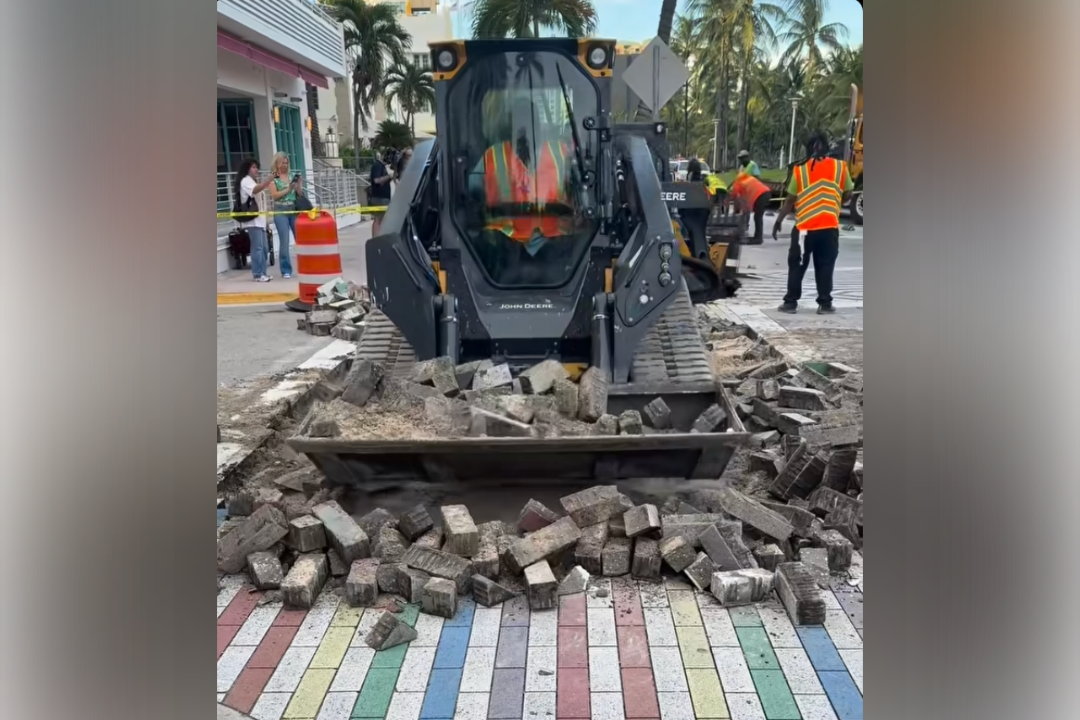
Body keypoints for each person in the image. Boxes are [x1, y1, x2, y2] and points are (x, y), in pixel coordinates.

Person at [471, 97, 576, 284]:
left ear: (539, 124)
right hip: (503, 252)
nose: (525, 127)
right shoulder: (491, 156)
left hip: (556, 249)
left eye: (528, 121)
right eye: (520, 122)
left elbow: (578, 190)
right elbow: (471, 195)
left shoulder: (561, 153)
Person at [771, 132, 854, 314]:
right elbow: (848, 192)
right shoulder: (840, 167)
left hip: (804, 229)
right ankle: (824, 304)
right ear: (827, 146)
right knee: (825, 265)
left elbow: (790, 200)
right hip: (829, 227)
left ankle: (790, 303)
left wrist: (778, 221)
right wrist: (835, 201)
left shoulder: (800, 171)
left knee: (797, 264)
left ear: (809, 148)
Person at [234, 158, 275, 282]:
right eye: (253, 167)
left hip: (261, 220)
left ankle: (263, 272)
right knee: (257, 248)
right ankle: (257, 274)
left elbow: (262, 201)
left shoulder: (253, 181)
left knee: (264, 248)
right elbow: (255, 190)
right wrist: (267, 182)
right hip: (253, 221)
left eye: (257, 167)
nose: (256, 169)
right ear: (247, 169)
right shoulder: (245, 181)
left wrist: (267, 221)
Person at [267, 152, 302, 279]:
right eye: (282, 163)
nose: (285, 165)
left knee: (301, 239)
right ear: (276, 163)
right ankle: (286, 269)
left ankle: (305, 265)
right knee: (284, 241)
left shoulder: (292, 175)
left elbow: (299, 195)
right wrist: (288, 189)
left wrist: (298, 186)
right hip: (280, 210)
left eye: (286, 163)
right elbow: (275, 195)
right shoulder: (273, 177)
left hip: (293, 209)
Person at [729, 171, 772, 244]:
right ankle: (757, 237)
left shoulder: (738, 182)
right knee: (758, 216)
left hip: (760, 195)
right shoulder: (747, 179)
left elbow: (736, 197)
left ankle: (758, 238)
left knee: (757, 217)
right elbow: (744, 199)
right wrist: (746, 209)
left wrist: (736, 211)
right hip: (766, 193)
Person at [369, 149, 393, 235]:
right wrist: (389, 176)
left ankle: (379, 237)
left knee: (382, 221)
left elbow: (382, 181)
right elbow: (376, 180)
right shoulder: (377, 166)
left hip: (383, 198)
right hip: (379, 198)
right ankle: (375, 239)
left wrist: (389, 178)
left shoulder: (382, 166)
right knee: (378, 220)